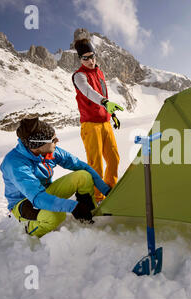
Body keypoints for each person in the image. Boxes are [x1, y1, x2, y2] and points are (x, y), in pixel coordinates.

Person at [0, 117, 111, 238]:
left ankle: (88, 214)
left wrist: (107, 191)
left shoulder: (50, 151)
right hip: (25, 203)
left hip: (45, 193)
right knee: (55, 217)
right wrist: (73, 207)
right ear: (38, 145)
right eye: (53, 139)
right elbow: (37, 197)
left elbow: (82, 166)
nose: (57, 140)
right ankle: (29, 228)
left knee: (83, 176)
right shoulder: (15, 164)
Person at [72, 38, 124, 203]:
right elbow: (88, 92)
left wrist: (111, 114)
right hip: (90, 125)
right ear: (80, 59)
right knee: (96, 164)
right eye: (85, 58)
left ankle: (110, 190)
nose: (89, 60)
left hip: (105, 123)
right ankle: (96, 197)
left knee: (114, 159)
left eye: (91, 56)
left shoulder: (99, 73)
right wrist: (105, 103)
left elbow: (104, 96)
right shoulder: (79, 76)